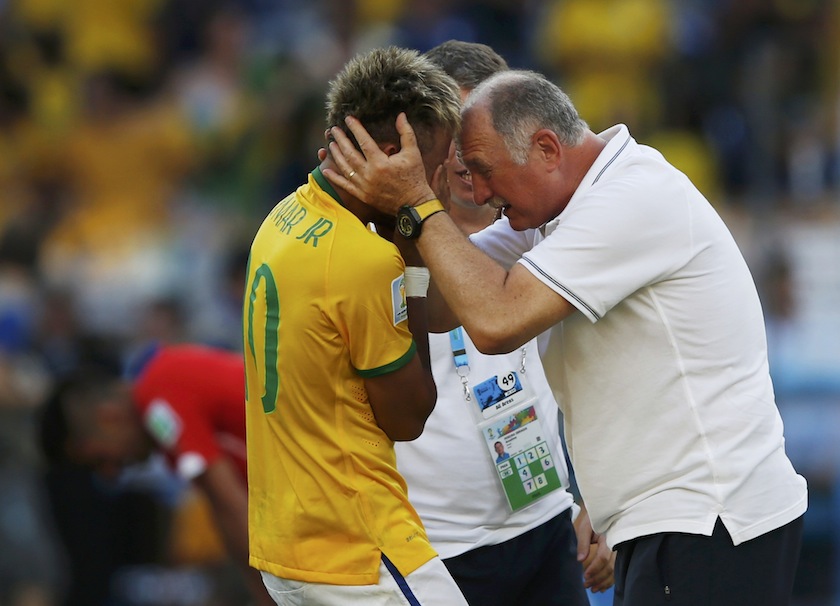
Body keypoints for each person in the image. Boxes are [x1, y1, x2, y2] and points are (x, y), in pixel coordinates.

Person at [323, 69, 809, 606]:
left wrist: (417, 201)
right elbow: (444, 305)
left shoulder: (634, 196)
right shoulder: (558, 210)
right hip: (680, 520)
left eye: (484, 171)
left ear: (547, 149)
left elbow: (495, 324)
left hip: (708, 518)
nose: (480, 194)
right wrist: (404, 219)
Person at [242, 47, 468, 605]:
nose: (438, 185)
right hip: (359, 547)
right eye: (435, 165)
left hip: (286, 543)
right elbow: (410, 416)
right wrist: (409, 240)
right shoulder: (365, 260)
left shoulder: (281, 217)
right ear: (392, 155)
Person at [393, 40, 613, 606]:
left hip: (546, 524)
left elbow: (595, 373)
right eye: (454, 137)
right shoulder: (382, 249)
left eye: (482, 139)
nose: (467, 158)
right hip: (434, 549)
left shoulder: (545, 227)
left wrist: (597, 498)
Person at [38, 343, 275, 606]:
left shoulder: (158, 400)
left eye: (100, 460)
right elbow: (225, 515)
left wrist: (273, 598)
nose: (110, 474)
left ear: (109, 418)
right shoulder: (161, 406)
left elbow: (231, 507)